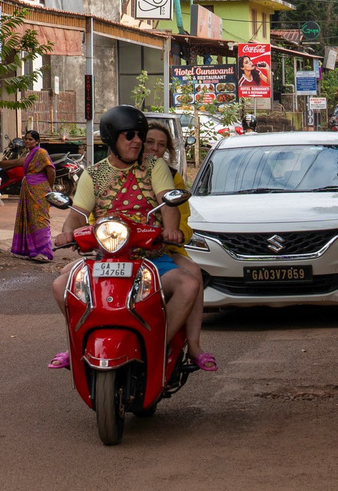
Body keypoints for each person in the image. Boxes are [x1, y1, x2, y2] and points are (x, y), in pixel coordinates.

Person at [48, 106, 215, 373]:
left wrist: (171, 229)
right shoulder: (94, 174)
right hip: (104, 259)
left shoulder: (155, 166)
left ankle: (158, 343)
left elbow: (167, 203)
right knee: (61, 285)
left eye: (140, 135)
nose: (137, 141)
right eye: (130, 135)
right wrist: (67, 231)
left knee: (188, 284)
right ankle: (78, 344)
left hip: (151, 257)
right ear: (111, 138)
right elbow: (77, 214)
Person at [141, 121, 209, 368]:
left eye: (161, 145)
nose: (155, 149)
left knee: (193, 274)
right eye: (149, 142)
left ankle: (194, 345)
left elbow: (183, 218)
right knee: (70, 279)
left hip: (165, 250)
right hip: (118, 249)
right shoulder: (117, 172)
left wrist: (175, 233)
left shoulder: (172, 177)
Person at [6, 129, 55, 263]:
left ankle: (44, 252)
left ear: (37, 141)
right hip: (28, 189)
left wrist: (49, 189)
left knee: (40, 219)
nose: (27, 141)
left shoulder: (41, 152)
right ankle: (30, 250)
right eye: (26, 139)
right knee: (29, 218)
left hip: (40, 190)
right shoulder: (29, 154)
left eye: (30, 139)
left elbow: (51, 170)